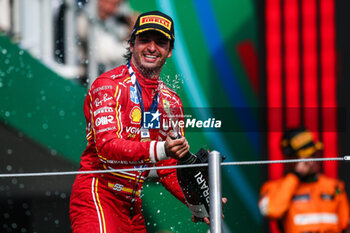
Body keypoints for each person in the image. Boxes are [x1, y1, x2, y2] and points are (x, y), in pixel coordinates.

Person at [69, 11, 209, 233]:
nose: (152, 47)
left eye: (161, 42)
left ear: (170, 51)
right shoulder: (108, 85)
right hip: (98, 196)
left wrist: (199, 204)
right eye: (144, 40)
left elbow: (167, 168)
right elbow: (106, 147)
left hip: (132, 204)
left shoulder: (171, 102)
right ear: (132, 44)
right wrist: (163, 148)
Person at [258, 127, 350, 233]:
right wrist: (295, 175)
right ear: (290, 158)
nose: (312, 162)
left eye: (313, 155)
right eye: (306, 158)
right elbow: (273, 211)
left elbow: (346, 225)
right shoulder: (273, 188)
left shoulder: (335, 186)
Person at [76, 0, 139, 83]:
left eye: (117, 5)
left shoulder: (111, 20)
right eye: (112, 4)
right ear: (100, 1)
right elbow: (106, 54)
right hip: (82, 79)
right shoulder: (83, 18)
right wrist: (137, 39)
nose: (114, 10)